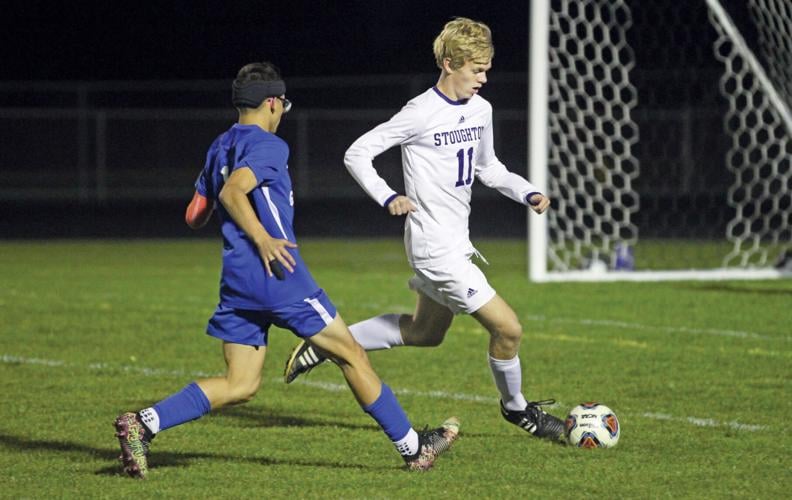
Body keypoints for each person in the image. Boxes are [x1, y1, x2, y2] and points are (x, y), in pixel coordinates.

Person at [114, 62, 460, 479]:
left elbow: (194, 215)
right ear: (273, 103)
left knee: (241, 384)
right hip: (279, 274)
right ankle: (414, 449)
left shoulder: (219, 145)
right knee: (351, 353)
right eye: (284, 105)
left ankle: (144, 423)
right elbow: (232, 191)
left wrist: (222, 197)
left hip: (238, 282)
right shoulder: (269, 146)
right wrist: (263, 237)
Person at [284, 18, 565, 442]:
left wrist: (527, 192)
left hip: (457, 242)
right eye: (476, 70)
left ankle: (325, 342)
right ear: (450, 64)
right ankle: (517, 409)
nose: (483, 79)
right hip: (434, 247)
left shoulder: (481, 109)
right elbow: (357, 153)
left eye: (486, 70)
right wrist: (388, 196)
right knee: (508, 329)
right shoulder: (420, 112)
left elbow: (489, 167)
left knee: (424, 333)